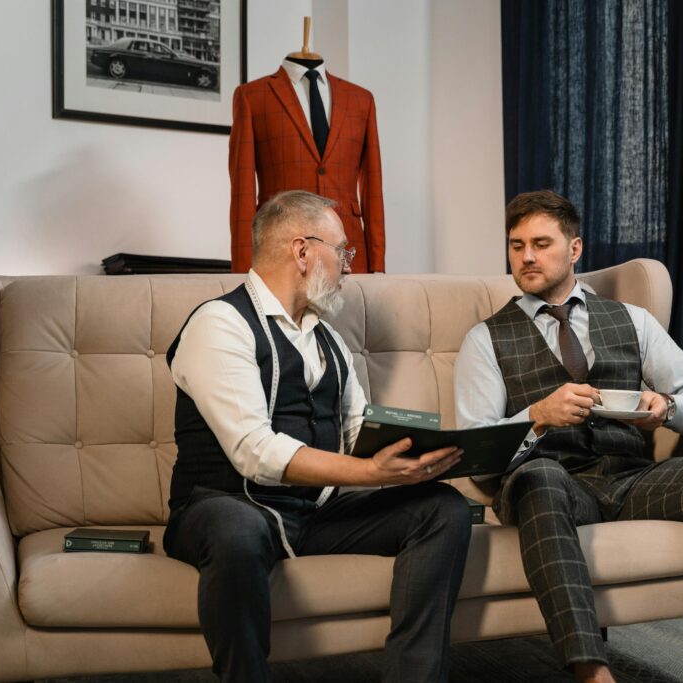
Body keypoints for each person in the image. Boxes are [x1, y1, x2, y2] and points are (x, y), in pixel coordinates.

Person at [454, 190, 683, 683]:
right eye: (516, 246)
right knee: (540, 479)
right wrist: (536, 417)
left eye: (540, 243)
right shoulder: (485, 339)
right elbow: (475, 452)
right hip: (549, 486)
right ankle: (594, 675)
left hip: (632, 480)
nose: (527, 257)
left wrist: (666, 409)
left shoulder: (633, 320)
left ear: (575, 249)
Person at [164, 190, 472, 682]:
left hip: (315, 511)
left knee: (442, 508)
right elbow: (254, 451)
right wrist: (370, 472)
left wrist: (419, 449)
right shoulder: (218, 323)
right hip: (224, 504)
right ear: (302, 251)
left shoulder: (327, 337)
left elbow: (355, 429)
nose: (349, 265)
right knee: (236, 531)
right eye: (342, 250)